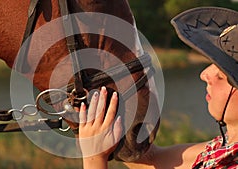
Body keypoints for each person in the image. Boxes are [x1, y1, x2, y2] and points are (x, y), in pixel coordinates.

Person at [78, 7, 238, 169]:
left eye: (222, 72)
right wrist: (94, 121)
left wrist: (93, 159)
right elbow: (152, 161)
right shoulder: (219, 150)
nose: (205, 74)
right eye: (211, 64)